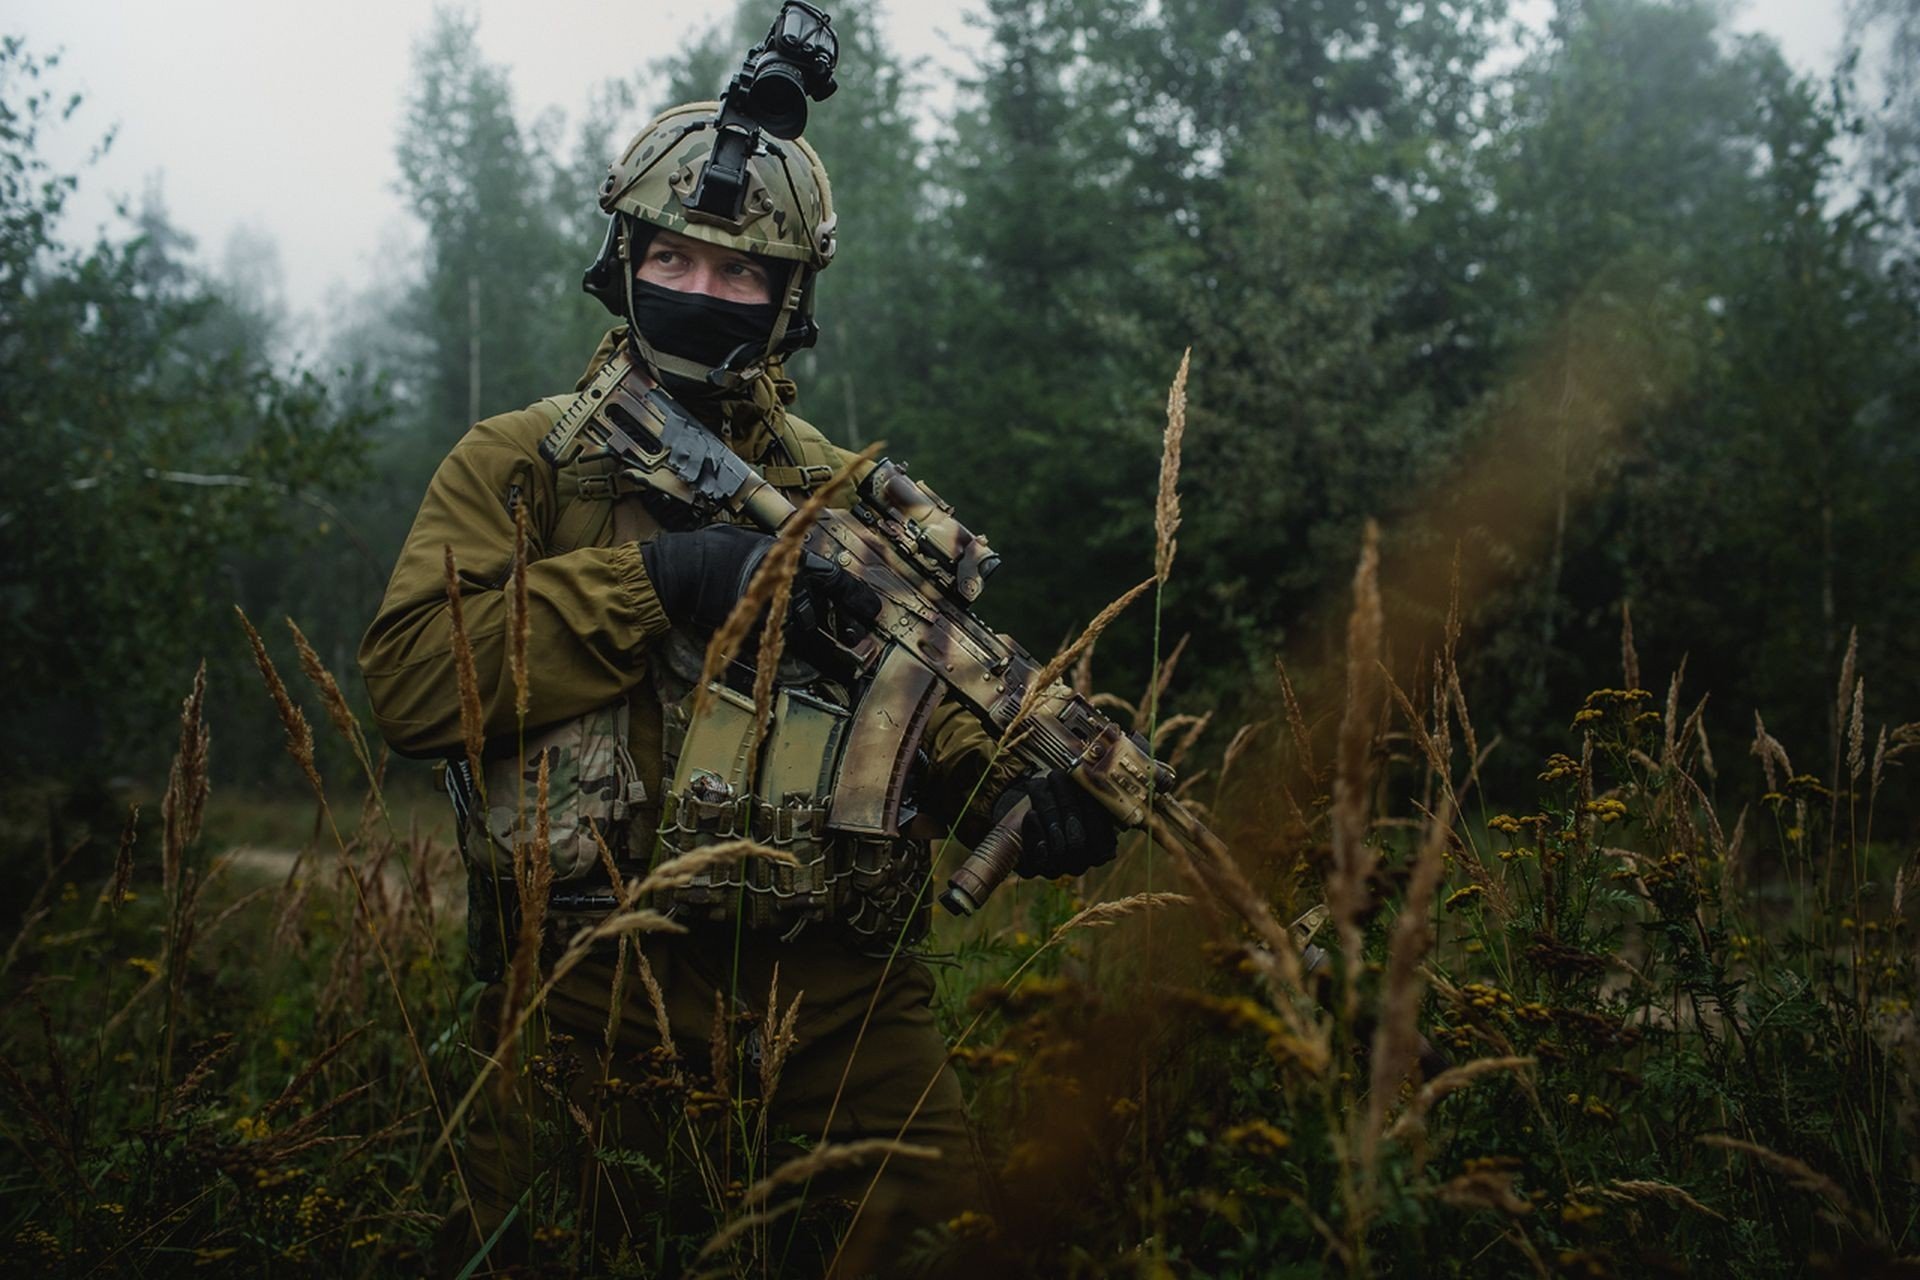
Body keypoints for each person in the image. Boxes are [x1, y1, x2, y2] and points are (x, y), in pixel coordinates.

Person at [358, 101, 1118, 1275]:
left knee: (951, 1247)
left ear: (788, 298)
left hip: (840, 996)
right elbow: (414, 683)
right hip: (583, 983)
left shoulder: (846, 495)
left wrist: (1018, 796)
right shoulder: (524, 463)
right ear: (625, 260)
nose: (702, 289)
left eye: (740, 272)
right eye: (674, 257)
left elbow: (923, 703)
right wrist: (663, 580)